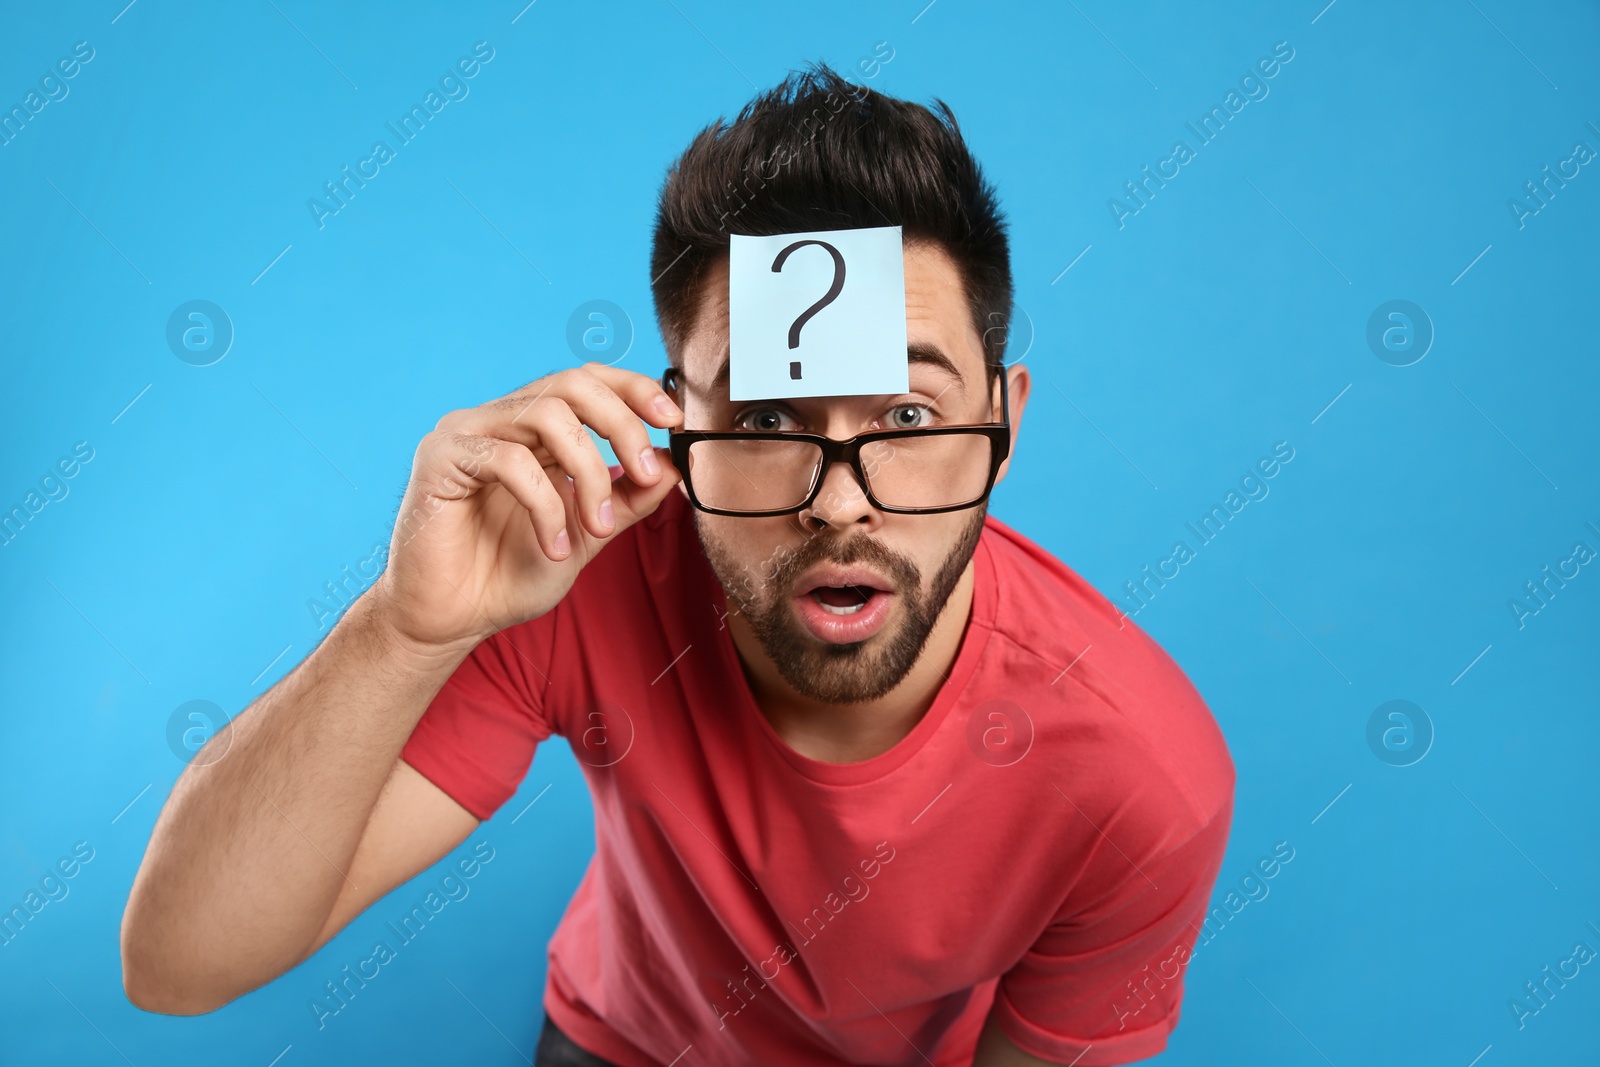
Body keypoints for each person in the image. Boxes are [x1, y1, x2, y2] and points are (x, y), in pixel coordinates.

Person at [121, 63, 1234, 1067]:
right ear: (671, 422)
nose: (838, 502)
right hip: (616, 1040)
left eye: (903, 411)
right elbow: (177, 965)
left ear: (1003, 420)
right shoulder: (572, 574)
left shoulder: (1140, 776)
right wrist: (404, 627)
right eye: (761, 421)